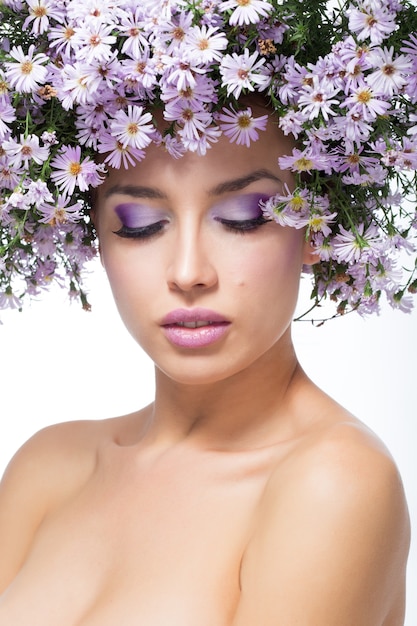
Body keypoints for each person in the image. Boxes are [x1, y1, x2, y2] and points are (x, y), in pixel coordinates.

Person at [0, 0, 415, 624]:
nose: (189, 271)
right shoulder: (47, 466)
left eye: (244, 217)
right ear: (95, 240)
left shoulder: (334, 482)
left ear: (315, 228)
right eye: (139, 224)